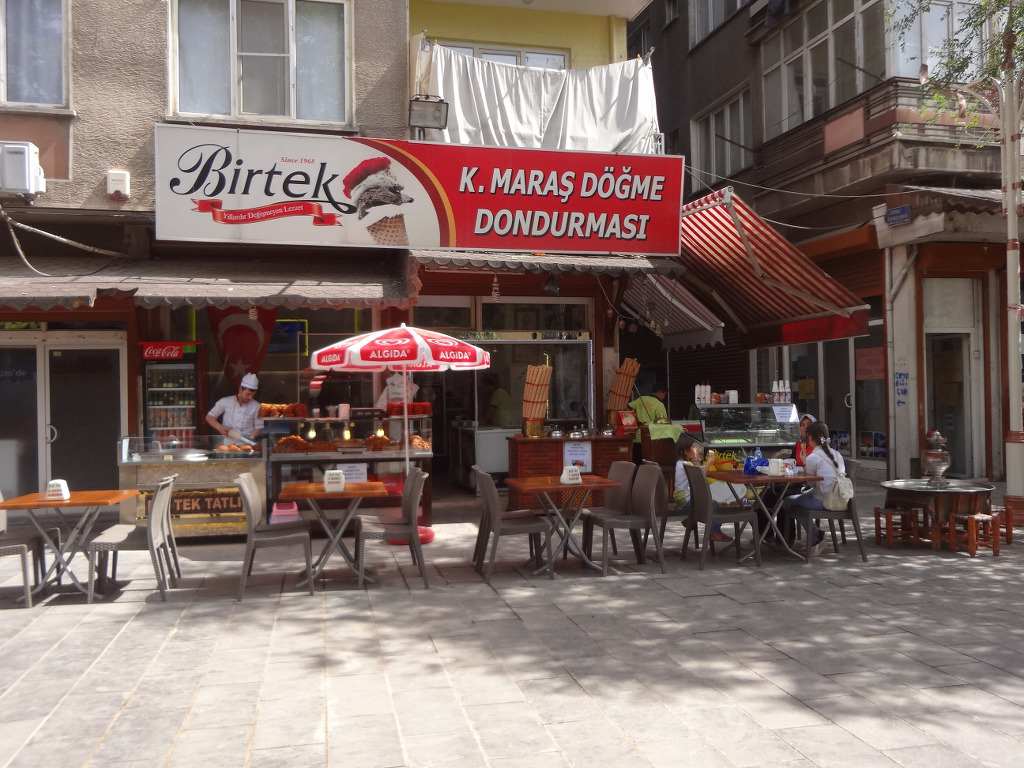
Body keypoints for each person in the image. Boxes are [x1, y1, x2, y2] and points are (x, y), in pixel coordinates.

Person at [780, 421, 844, 557]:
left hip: (824, 501)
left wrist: (805, 462)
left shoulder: (813, 457)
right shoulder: (837, 454)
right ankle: (815, 534)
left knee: (786, 502)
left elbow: (810, 483)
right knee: (799, 498)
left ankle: (815, 534)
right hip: (841, 498)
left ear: (810, 437)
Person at [759, 413, 816, 541]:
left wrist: (804, 465)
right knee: (763, 497)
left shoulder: (818, 447)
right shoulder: (798, 445)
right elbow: (791, 463)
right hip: (792, 482)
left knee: (783, 498)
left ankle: (785, 540)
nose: (805, 427)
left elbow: (815, 473)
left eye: (809, 424)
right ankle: (766, 534)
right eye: (802, 425)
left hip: (807, 486)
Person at [674, 434, 732, 542]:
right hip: (686, 499)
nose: (696, 449)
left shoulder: (681, 463)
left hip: (681, 498)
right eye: (693, 447)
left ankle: (691, 519)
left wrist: (702, 464)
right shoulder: (686, 465)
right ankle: (714, 531)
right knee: (713, 503)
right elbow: (700, 476)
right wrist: (709, 463)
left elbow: (698, 470)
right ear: (686, 451)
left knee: (710, 497)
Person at [206, 372, 264, 440]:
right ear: (240, 389)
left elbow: (258, 428)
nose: (250, 397)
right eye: (248, 394)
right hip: (228, 443)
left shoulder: (257, 406)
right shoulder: (225, 401)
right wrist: (220, 427)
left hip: (247, 443)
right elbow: (209, 417)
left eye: (253, 395)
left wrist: (252, 436)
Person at [629, 382, 668, 462]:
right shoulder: (659, 405)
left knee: (635, 462)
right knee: (648, 463)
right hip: (649, 438)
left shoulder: (641, 399)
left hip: (637, 436)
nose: (664, 397)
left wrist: (635, 421)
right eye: (664, 394)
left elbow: (627, 408)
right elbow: (663, 423)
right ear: (660, 392)